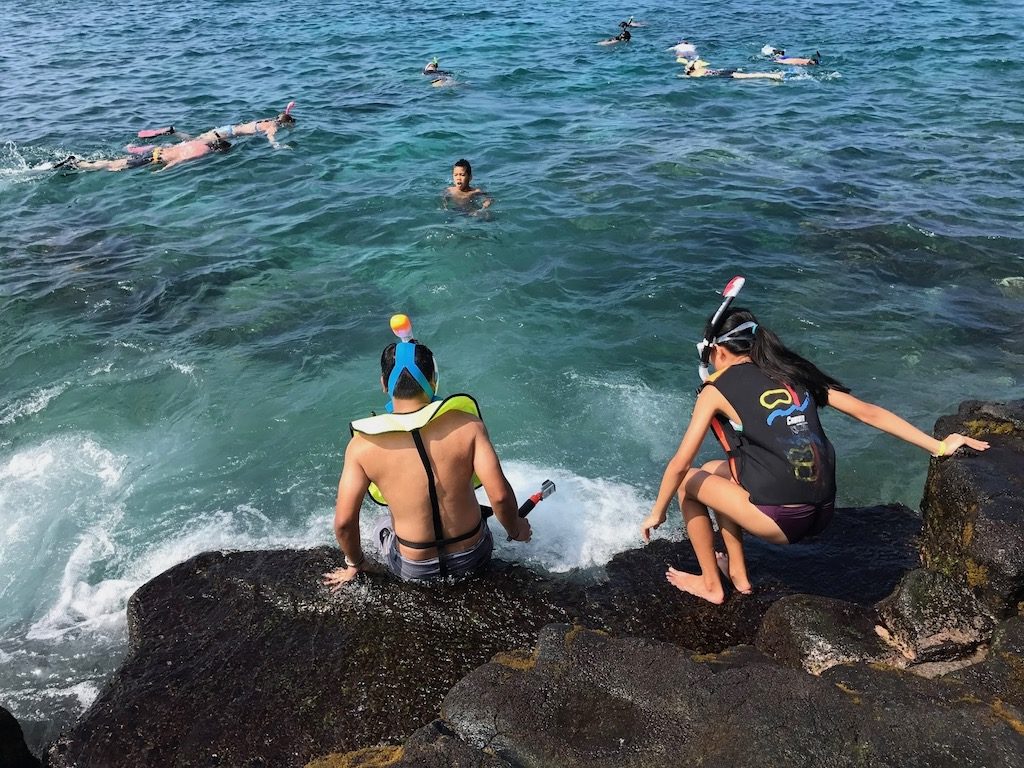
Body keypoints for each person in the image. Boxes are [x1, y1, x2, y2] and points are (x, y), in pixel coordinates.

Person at [639, 306, 990, 605]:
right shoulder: (793, 373)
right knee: (716, 469)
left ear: (717, 351)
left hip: (781, 520)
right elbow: (868, 413)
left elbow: (680, 464)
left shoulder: (715, 389)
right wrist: (941, 446)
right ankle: (738, 574)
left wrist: (657, 513)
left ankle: (711, 584)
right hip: (823, 513)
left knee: (688, 482)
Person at [323, 317, 531, 588]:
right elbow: (500, 496)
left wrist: (356, 563)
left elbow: (343, 523)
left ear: (384, 384)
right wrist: (516, 529)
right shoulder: (468, 426)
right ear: (433, 381)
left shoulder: (362, 447)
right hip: (474, 556)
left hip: (414, 569)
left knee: (382, 523)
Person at [54, 137, 231, 172]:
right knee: (112, 166)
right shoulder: (202, 153)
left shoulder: (198, 142)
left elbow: (180, 146)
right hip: (153, 160)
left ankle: (81, 162)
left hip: (154, 152)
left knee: (115, 162)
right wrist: (162, 172)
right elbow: (178, 160)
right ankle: (77, 164)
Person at [193, 102, 297, 149]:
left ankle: (177, 133)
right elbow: (271, 138)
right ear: (285, 123)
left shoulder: (266, 120)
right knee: (197, 143)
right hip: (228, 134)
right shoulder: (272, 126)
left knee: (194, 140)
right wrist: (278, 146)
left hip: (228, 128)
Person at [682, 59, 783, 81]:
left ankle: (772, 75)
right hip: (722, 72)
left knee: (749, 76)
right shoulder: (700, 70)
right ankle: (772, 75)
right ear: (694, 66)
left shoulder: (695, 74)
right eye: (695, 62)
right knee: (749, 75)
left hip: (722, 75)